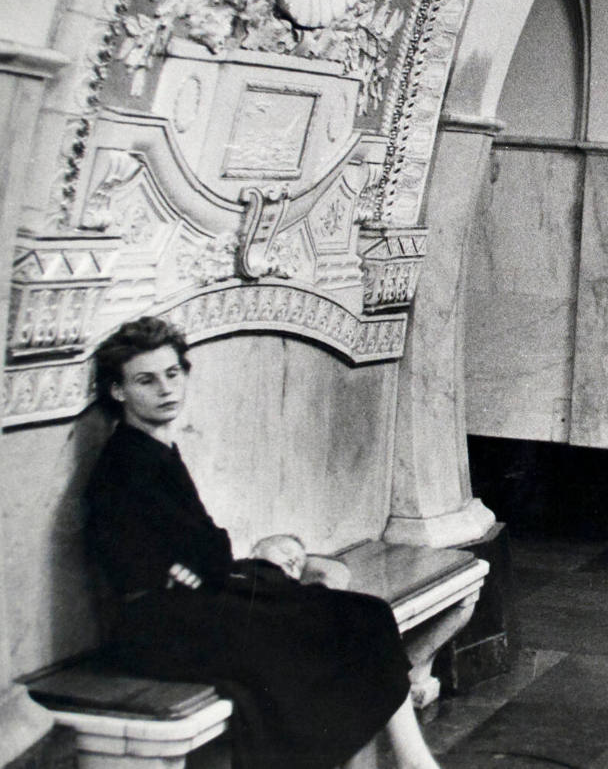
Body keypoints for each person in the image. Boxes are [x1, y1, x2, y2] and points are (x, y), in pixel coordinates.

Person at [83, 317, 443, 769]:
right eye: (146, 380)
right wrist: (186, 564)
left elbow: (200, 553)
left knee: (362, 616)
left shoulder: (154, 449)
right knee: (330, 630)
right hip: (158, 630)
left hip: (192, 609)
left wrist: (196, 561)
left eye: (173, 374)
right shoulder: (125, 462)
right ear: (118, 392)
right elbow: (146, 558)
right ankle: (407, 763)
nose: (166, 389)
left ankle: (412, 760)